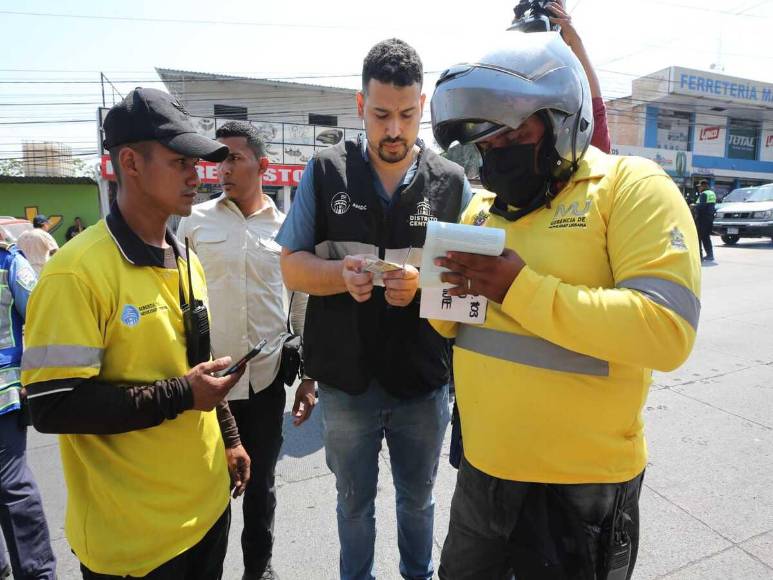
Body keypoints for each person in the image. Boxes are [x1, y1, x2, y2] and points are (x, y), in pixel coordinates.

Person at [430, 32, 701, 579]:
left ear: (562, 121)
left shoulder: (630, 187)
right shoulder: (481, 210)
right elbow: (452, 325)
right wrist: (433, 289)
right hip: (483, 476)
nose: (495, 149)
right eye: (486, 138)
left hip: (581, 490)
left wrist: (518, 288)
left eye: (513, 131)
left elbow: (666, 330)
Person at [21, 87, 249, 580]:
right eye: (180, 162)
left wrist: (229, 438)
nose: (196, 176)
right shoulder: (74, 274)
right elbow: (52, 406)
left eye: (198, 163)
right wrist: (182, 394)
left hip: (208, 512)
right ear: (131, 162)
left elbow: (198, 362)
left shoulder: (185, 257)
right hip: (135, 546)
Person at [277, 38, 473, 580]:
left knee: (418, 502)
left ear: (422, 108)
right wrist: (339, 276)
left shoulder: (452, 184)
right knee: (353, 507)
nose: (394, 130)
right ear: (360, 106)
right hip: (346, 384)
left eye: (407, 115)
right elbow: (291, 266)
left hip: (422, 382)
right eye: (382, 114)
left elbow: (471, 288)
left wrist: (424, 285)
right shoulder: (323, 173)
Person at [177, 120, 317, 580]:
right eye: (218, 160)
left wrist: (310, 376)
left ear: (262, 164)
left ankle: (260, 569)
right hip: (206, 388)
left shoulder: (287, 229)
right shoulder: (194, 223)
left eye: (234, 158)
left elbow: (300, 305)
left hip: (265, 382)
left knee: (262, 488)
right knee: (207, 490)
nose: (223, 170)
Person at [0, 233, 56, 580]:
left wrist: (31, 379)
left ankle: (36, 573)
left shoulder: (9, 264)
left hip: (3, 396)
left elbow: (40, 317)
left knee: (11, 488)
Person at [695, 179, 716, 261]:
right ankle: (710, 255)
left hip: (702, 219)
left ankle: (699, 256)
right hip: (709, 218)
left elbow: (701, 207)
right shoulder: (712, 193)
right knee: (706, 237)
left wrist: (694, 206)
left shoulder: (704, 194)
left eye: (700, 186)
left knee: (699, 237)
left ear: (704, 186)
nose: (699, 188)